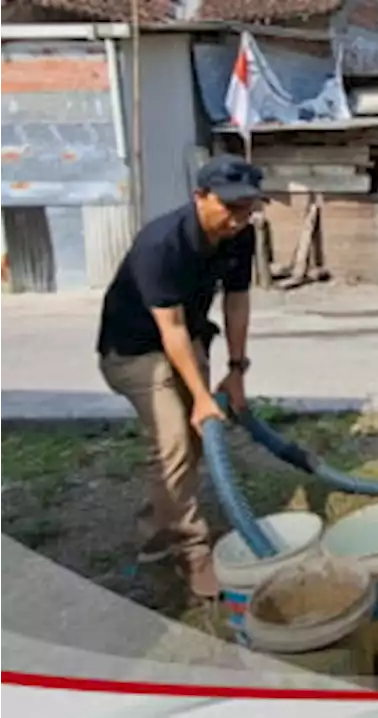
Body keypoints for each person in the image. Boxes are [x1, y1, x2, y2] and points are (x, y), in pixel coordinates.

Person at [96, 154, 264, 600]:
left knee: (193, 443)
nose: (238, 218)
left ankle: (157, 531)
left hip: (186, 340)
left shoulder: (240, 235)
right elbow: (167, 329)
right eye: (230, 207)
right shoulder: (161, 244)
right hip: (133, 352)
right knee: (174, 441)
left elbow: (237, 302)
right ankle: (191, 549)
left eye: (248, 208)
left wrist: (236, 373)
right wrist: (202, 398)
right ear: (200, 197)